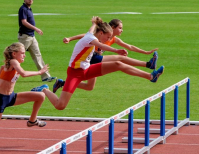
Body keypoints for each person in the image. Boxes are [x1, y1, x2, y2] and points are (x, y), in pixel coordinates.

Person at [31, 16, 164, 111]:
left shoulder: (92, 33)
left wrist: (95, 22)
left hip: (87, 69)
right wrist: (116, 50)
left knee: (118, 64)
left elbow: (92, 28)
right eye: (107, 37)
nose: (108, 39)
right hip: (74, 73)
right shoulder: (91, 39)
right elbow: (101, 45)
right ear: (101, 33)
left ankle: (151, 77)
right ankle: (44, 89)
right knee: (60, 106)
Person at [53, 18, 160, 92]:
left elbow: (130, 47)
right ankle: (148, 65)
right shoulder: (101, 33)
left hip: (90, 61)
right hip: (92, 58)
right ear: (112, 27)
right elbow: (85, 36)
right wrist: (70, 38)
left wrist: (146, 52)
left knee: (89, 87)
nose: (122, 30)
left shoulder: (114, 39)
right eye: (120, 28)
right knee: (119, 59)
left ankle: (62, 83)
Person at [18, 0, 56, 82]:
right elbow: (24, 22)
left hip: (31, 36)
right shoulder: (23, 9)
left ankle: (46, 76)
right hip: (25, 37)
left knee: (37, 55)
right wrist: (36, 28)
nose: (31, 0)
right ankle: (6, 74)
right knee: (17, 57)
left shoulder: (29, 9)